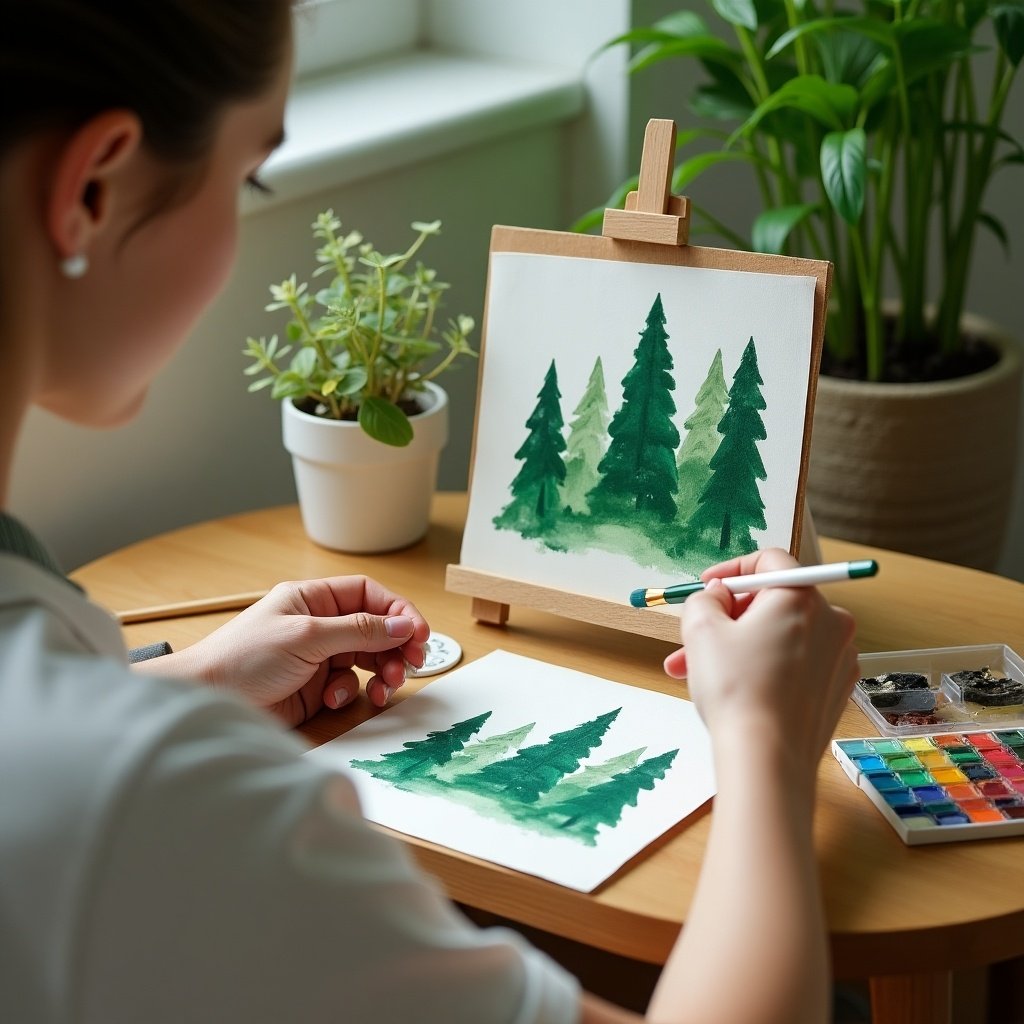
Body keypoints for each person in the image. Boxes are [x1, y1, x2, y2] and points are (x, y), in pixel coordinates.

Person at [0, 4, 859, 1022]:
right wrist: (763, 740)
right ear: (94, 186)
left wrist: (188, 687)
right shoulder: (149, 802)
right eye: (250, 175)